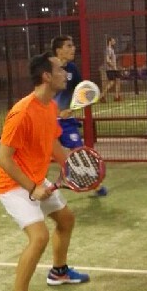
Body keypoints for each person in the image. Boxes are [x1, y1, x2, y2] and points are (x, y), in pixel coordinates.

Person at [0, 51, 90, 291]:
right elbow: (3, 159)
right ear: (46, 76)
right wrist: (32, 188)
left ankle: (59, 272)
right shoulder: (22, 112)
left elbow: (52, 144)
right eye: (60, 69)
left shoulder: (49, 107)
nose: (65, 73)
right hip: (13, 184)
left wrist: (74, 165)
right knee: (39, 237)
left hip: (36, 178)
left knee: (66, 219)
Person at [51, 34, 108, 197]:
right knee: (42, 154)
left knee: (79, 151)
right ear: (58, 50)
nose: (73, 49)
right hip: (48, 121)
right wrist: (56, 112)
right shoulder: (48, 68)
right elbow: (41, 96)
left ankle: (95, 184)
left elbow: (82, 91)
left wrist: (74, 108)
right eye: (69, 46)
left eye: (73, 45)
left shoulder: (73, 69)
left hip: (67, 122)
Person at [100, 36, 122, 103]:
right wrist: (113, 67)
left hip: (114, 68)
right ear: (110, 42)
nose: (114, 42)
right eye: (113, 40)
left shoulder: (111, 49)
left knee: (118, 80)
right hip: (110, 69)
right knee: (112, 82)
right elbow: (107, 60)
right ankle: (102, 95)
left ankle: (117, 96)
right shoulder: (108, 49)